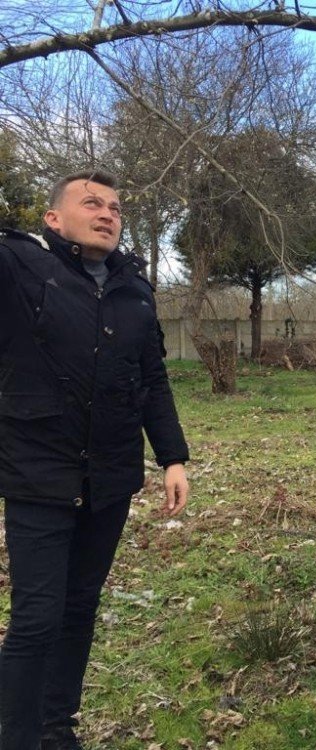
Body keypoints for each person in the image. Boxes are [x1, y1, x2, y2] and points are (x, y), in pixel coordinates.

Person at [0, 170, 190, 750]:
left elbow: (152, 378)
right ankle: (17, 736)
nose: (108, 213)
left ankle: (57, 727)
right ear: (53, 218)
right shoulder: (18, 267)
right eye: (91, 203)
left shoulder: (134, 289)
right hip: (38, 474)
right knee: (36, 617)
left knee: (81, 606)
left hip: (109, 475)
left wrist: (173, 457)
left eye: (114, 206)